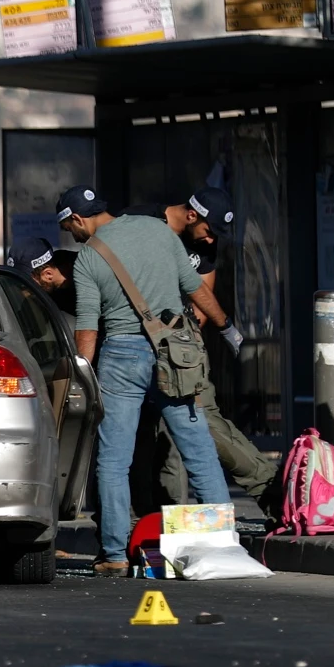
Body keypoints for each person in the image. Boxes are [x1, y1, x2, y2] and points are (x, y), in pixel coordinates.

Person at [60, 184, 236, 576]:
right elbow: (195, 289)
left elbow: (87, 329)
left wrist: (81, 379)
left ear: (76, 219)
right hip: (174, 354)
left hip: (120, 357)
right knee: (199, 452)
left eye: (69, 228)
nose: (70, 236)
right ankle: (222, 546)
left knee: (113, 460)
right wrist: (225, 326)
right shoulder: (157, 230)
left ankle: (114, 555)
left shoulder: (88, 257)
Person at [131, 188, 279, 518]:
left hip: (179, 351)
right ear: (192, 215)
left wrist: (184, 338)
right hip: (135, 345)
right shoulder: (142, 220)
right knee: (147, 438)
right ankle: (153, 517)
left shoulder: (204, 244)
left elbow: (201, 298)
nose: (211, 241)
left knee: (204, 426)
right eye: (210, 232)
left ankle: (271, 490)